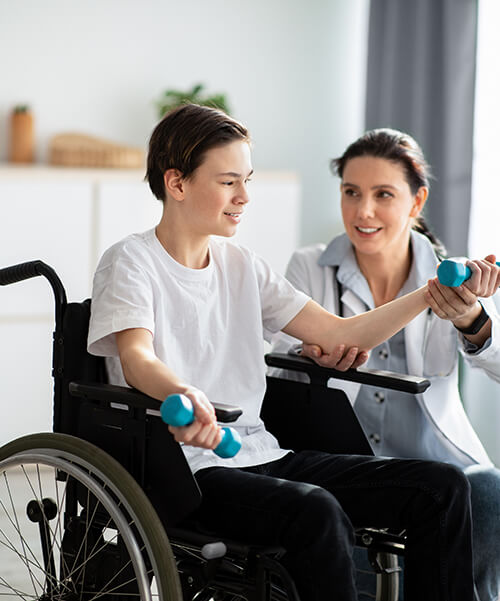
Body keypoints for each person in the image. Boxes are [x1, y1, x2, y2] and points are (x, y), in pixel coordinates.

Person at [88, 105, 478, 601]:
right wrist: (184, 393)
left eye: (246, 181)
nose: (245, 197)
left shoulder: (242, 265)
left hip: (261, 453)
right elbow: (137, 357)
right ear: (177, 183)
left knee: (441, 489)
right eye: (229, 182)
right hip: (185, 469)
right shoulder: (131, 261)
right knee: (315, 510)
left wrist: (430, 296)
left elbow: (343, 335)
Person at [271, 128, 500, 601]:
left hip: (436, 462)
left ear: (417, 203)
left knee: (488, 491)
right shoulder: (310, 267)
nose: (363, 211)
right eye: (351, 193)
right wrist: (308, 353)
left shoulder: (447, 278)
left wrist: (473, 320)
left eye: (383, 195)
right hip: (348, 463)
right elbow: (273, 366)